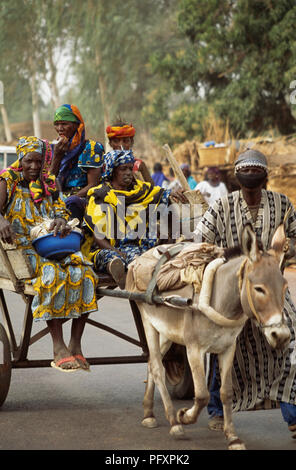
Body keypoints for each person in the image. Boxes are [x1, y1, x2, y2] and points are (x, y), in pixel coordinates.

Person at [194, 149, 296, 437]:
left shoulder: (282, 204)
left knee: (290, 335)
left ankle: (292, 413)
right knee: (222, 340)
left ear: (265, 176)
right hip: (233, 289)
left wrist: (287, 248)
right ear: (237, 176)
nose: (251, 174)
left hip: (270, 288)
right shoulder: (222, 206)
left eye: (256, 170)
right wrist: (225, 257)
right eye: (246, 169)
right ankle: (216, 407)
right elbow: (201, 240)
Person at [0, 136, 98, 372]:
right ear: (21, 160)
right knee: (51, 274)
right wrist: (1, 220)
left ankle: (76, 343)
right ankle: (58, 346)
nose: (34, 167)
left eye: (38, 162)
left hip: (50, 241)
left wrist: (61, 220)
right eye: (29, 161)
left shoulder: (50, 182)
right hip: (22, 246)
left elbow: (60, 209)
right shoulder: (8, 180)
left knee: (84, 270)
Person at [83, 149, 187, 288]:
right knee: (112, 258)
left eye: (130, 169)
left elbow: (161, 195)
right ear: (112, 171)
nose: (128, 172)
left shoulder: (142, 189)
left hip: (142, 244)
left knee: (166, 252)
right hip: (113, 247)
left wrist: (172, 195)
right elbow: (98, 236)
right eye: (123, 169)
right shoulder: (100, 195)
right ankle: (117, 269)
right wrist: (118, 252)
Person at [50, 104, 105, 222]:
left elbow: (93, 184)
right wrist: (57, 156)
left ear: (77, 125)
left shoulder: (91, 148)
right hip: (59, 197)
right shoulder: (54, 149)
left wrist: (68, 199)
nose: (60, 128)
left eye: (64, 124)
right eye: (57, 124)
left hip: (83, 198)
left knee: (72, 203)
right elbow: (50, 182)